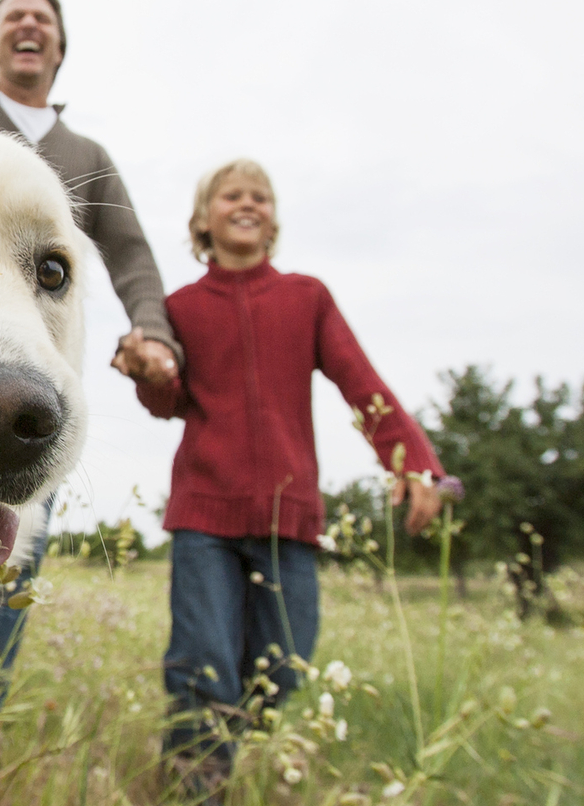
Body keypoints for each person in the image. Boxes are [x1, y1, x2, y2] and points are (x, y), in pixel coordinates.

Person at [0, 0, 183, 748]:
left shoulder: (86, 159)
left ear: (59, 52)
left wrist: (154, 332)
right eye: (12, 19)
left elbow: (131, 254)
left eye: (44, 20)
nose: (28, 26)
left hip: (33, 390)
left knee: (3, 565)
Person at [134, 158, 443, 801]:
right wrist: (149, 373)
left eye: (261, 197)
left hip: (290, 516)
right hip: (204, 516)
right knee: (202, 666)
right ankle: (197, 788)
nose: (248, 204)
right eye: (231, 196)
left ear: (273, 219)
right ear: (202, 220)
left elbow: (363, 386)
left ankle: (222, 755)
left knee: (283, 670)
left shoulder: (307, 297)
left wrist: (415, 464)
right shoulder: (180, 308)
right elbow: (168, 404)